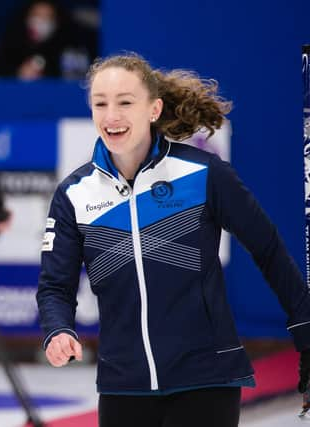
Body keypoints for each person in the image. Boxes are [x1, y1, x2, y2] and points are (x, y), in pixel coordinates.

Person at [36, 52, 310, 427]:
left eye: (125, 102)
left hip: (206, 378)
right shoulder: (74, 194)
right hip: (123, 385)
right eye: (100, 104)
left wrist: (305, 330)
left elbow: (269, 250)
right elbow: (55, 285)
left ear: (154, 109)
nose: (111, 115)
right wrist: (57, 329)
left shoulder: (203, 174)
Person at [0, 0, 96, 80]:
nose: (41, 22)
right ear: (26, 17)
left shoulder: (71, 48)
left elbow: (77, 81)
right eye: (37, 15)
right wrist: (17, 74)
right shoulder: (8, 47)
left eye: (48, 17)